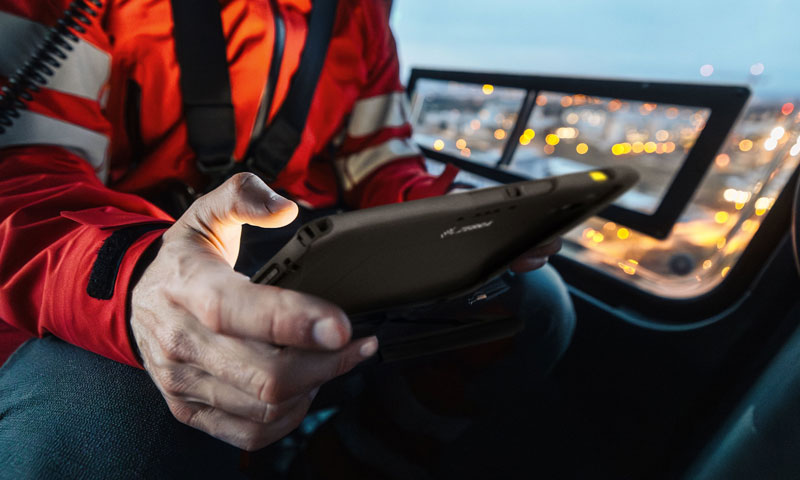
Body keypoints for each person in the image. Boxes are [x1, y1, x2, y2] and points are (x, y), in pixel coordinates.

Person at [0, 0, 573, 476]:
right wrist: (135, 281)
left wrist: (446, 216)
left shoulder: (361, 14)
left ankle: (350, 460)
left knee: (534, 304)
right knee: (127, 420)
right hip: (116, 247)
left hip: (287, 235)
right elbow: (22, 171)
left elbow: (378, 160)